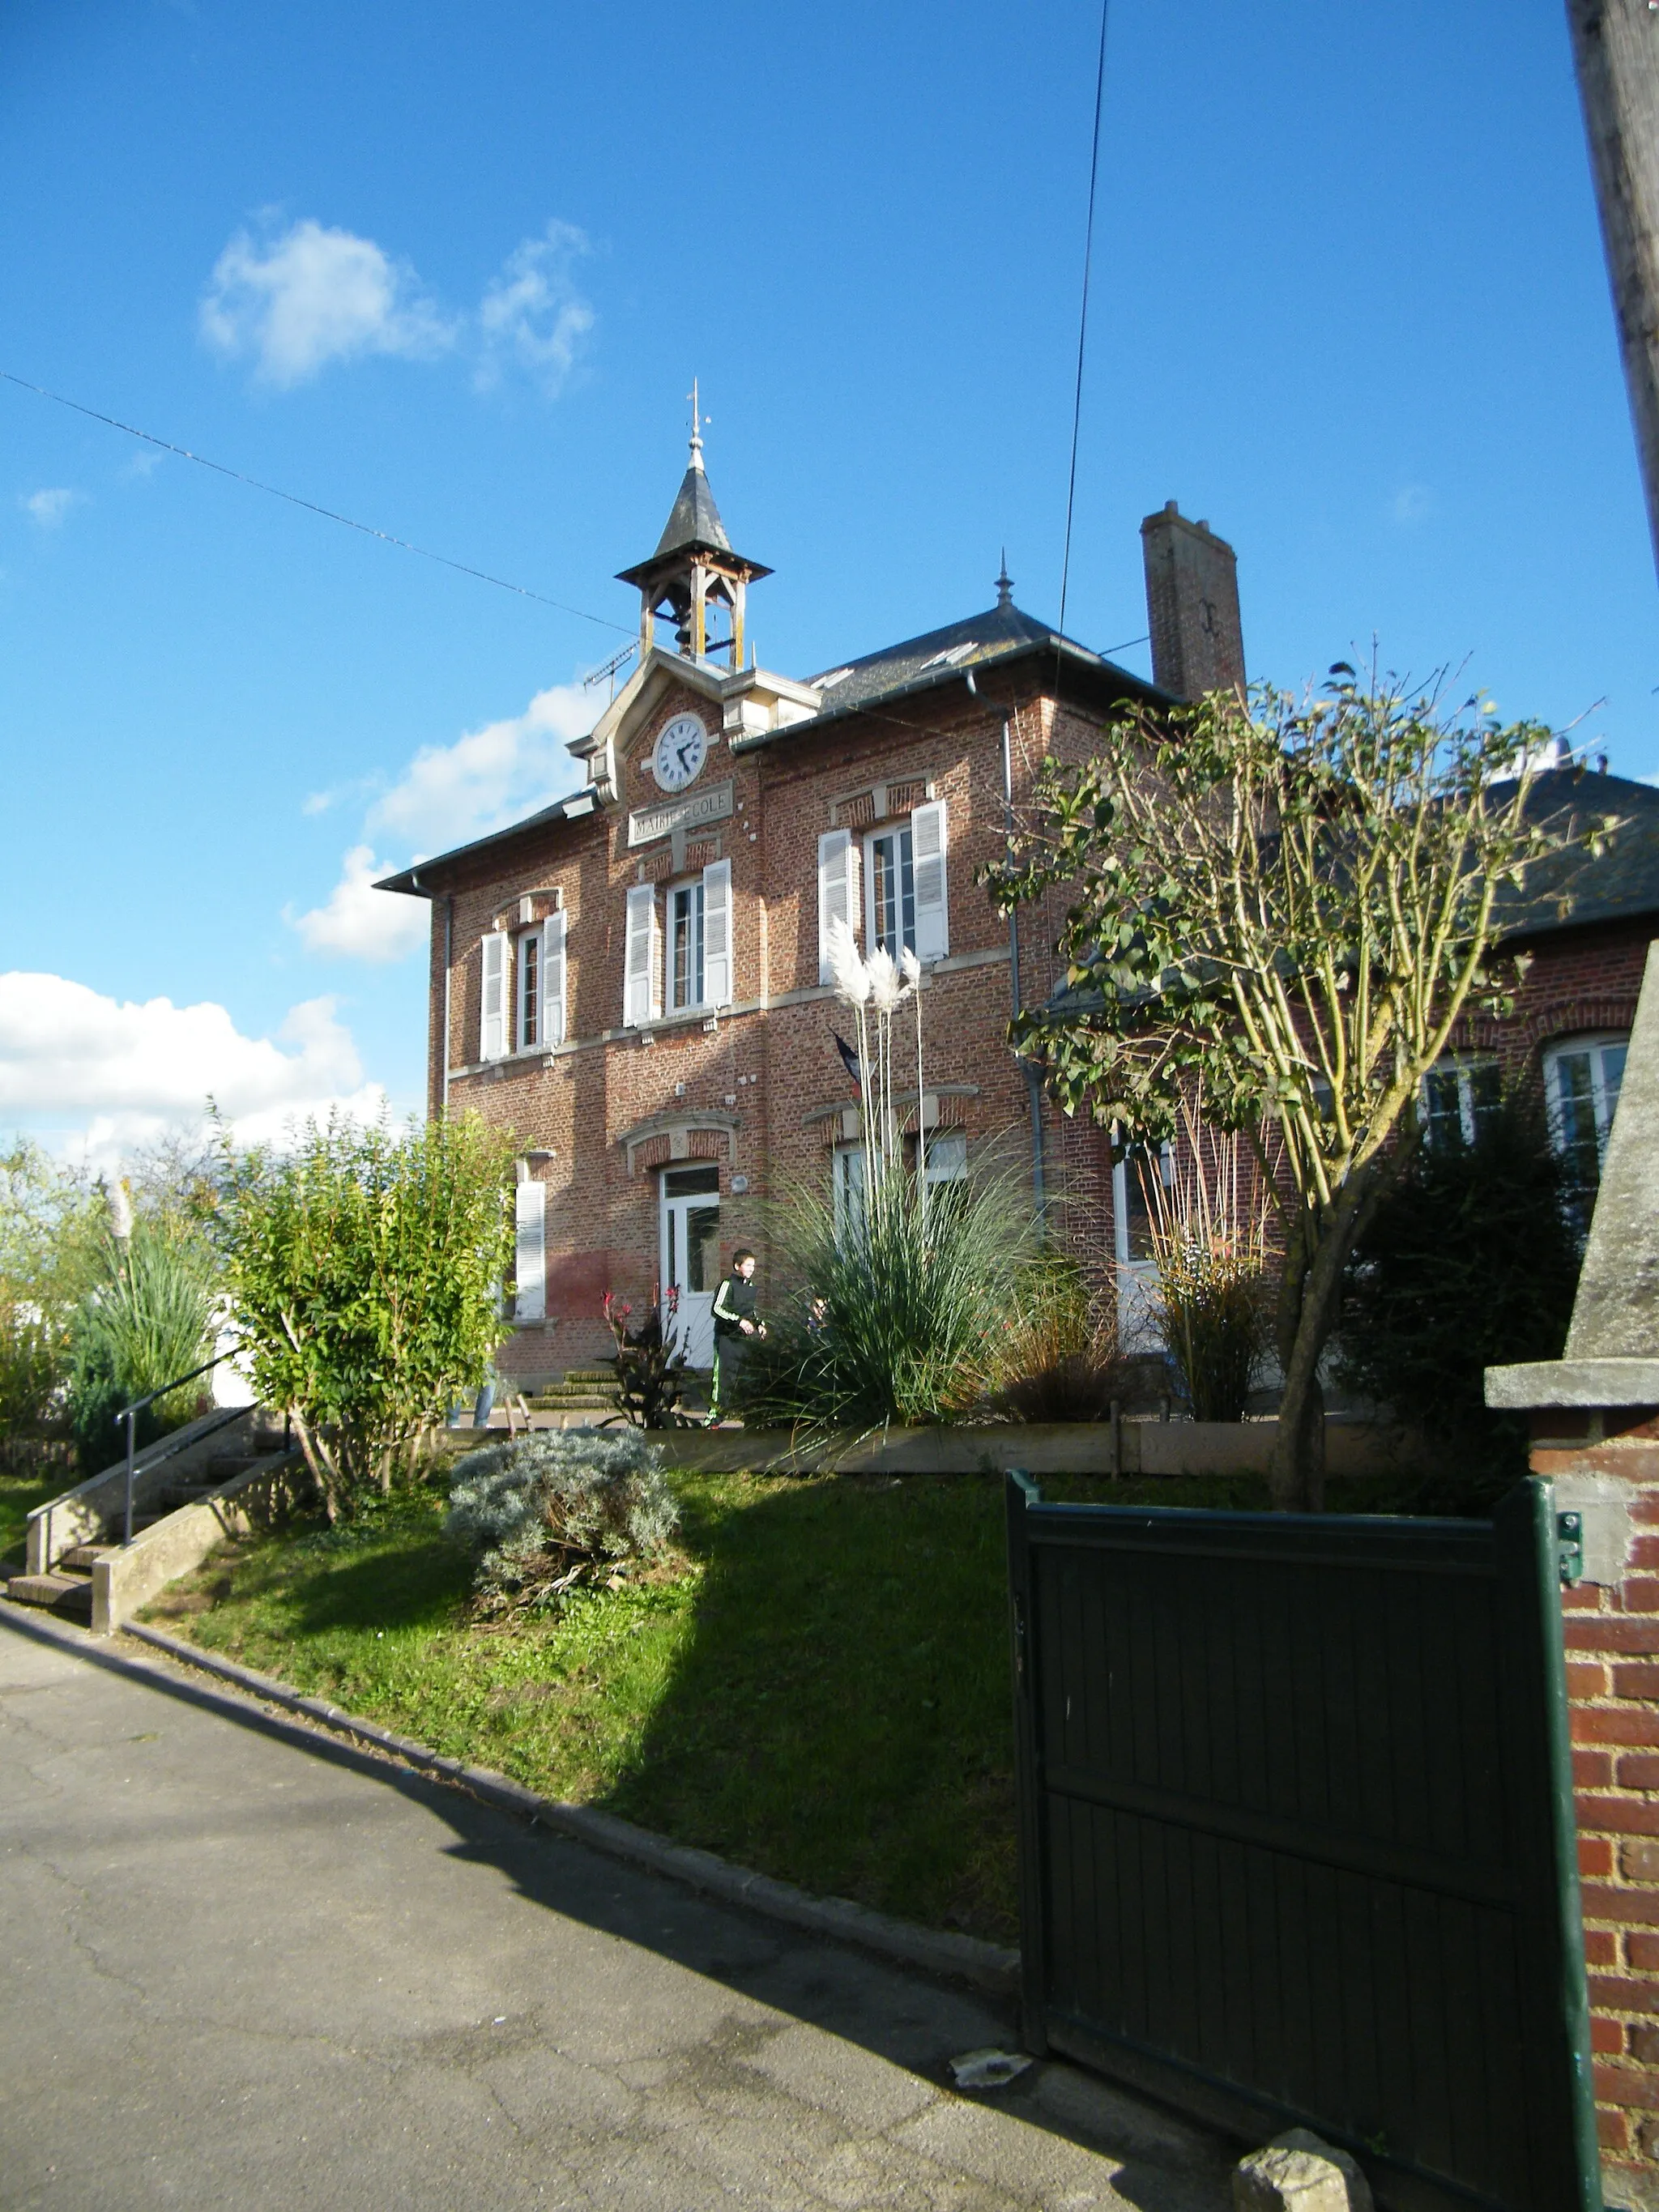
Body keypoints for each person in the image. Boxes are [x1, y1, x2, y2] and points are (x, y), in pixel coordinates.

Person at [709, 1248, 766, 1423]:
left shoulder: (751, 1288)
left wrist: (760, 1325)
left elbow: (751, 1312)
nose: (751, 1269)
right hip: (726, 1340)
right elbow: (717, 1309)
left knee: (746, 1377)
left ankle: (749, 1417)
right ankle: (714, 1418)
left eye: (753, 1265)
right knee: (724, 1378)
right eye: (748, 1265)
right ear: (737, 1266)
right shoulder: (728, 1284)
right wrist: (739, 1321)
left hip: (744, 1341)